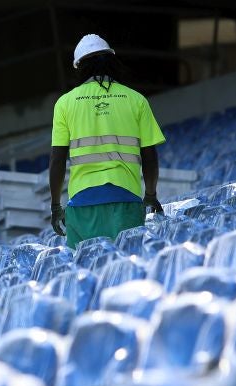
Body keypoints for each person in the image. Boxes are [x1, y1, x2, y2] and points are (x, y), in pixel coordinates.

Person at [49, 34, 165, 249]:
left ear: (79, 67)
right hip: (126, 200)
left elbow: (57, 160)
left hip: (82, 204)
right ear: (111, 62)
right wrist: (150, 195)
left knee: (85, 274)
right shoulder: (136, 99)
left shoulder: (65, 103)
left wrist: (56, 206)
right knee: (125, 271)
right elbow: (150, 155)